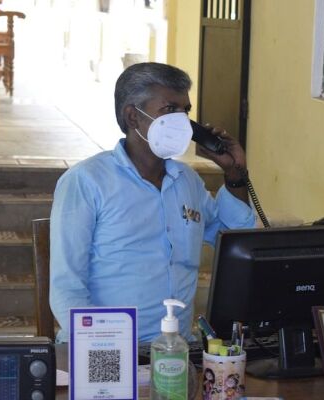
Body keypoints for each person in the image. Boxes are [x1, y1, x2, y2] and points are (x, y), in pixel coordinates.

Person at [49, 62, 256, 343]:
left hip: (176, 350)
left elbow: (235, 239)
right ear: (133, 117)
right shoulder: (86, 181)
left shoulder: (187, 181)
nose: (182, 121)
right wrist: (107, 353)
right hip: (107, 348)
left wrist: (233, 171)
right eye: (170, 110)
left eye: (186, 111)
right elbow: (66, 287)